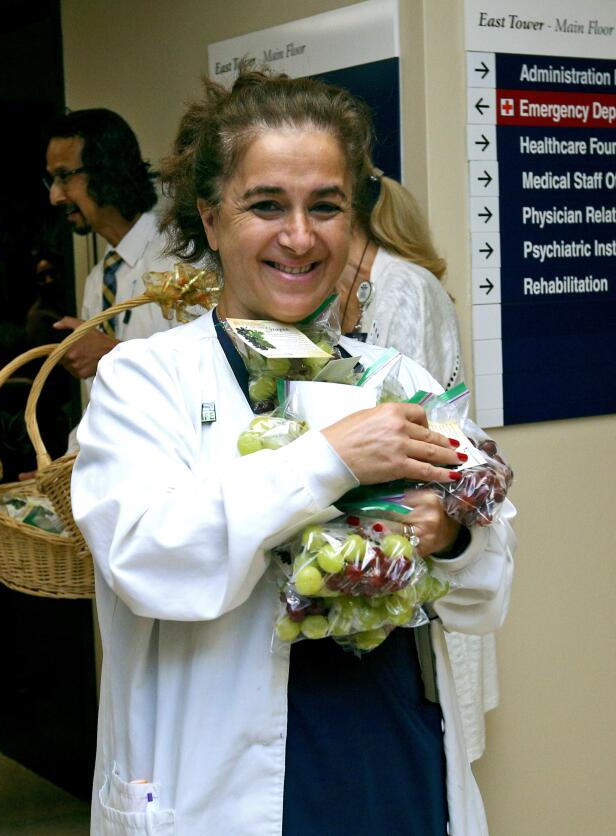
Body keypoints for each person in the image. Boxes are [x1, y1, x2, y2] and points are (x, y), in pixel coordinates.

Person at [71, 71, 515, 835]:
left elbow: (486, 591)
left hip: (388, 750)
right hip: (223, 782)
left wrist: (451, 534)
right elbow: (145, 557)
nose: (301, 236)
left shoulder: (396, 379)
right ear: (211, 220)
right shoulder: (145, 378)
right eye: (267, 205)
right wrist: (332, 461)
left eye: (327, 206)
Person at [338, 173, 498, 762]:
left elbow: (407, 424)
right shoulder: (335, 285)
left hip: (417, 530)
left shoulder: (402, 287)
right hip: (373, 552)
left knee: (424, 739)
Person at [43, 109, 182, 381]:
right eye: (51, 180)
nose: (55, 196)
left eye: (64, 176)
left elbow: (211, 374)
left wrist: (114, 355)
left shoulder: (180, 260)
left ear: (106, 170)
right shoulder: (97, 283)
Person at [337, 172, 462, 389]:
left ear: (351, 218)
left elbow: (410, 403)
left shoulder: (406, 285)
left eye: (323, 208)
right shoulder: (328, 288)